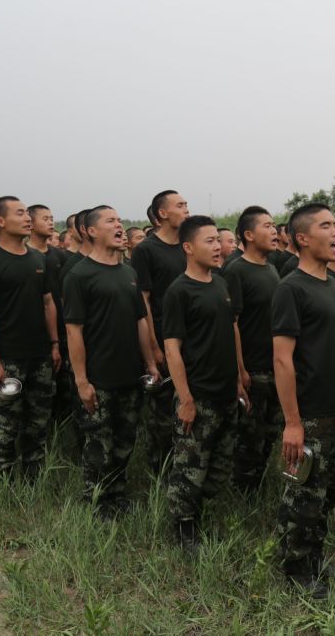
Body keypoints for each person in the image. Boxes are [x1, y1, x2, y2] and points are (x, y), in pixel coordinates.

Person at [272, 203, 335, 598]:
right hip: (310, 414)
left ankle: (315, 557)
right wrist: (293, 421)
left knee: (329, 491)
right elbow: (282, 359)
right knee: (305, 495)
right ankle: (294, 569)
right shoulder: (291, 287)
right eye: (326, 226)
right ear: (302, 239)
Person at [64, 206, 157, 517]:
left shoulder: (129, 273)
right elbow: (74, 331)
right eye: (111, 221)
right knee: (97, 445)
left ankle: (117, 495)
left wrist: (150, 363)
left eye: (120, 221)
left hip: (129, 375)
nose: (119, 226)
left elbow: (140, 322)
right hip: (98, 378)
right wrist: (81, 380)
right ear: (91, 231)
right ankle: (96, 501)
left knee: (124, 441)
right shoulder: (79, 275)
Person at [163, 215, 247, 548]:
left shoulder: (221, 283)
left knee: (220, 465)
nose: (217, 247)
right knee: (190, 468)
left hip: (226, 392)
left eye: (218, 240)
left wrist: (239, 376)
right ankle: (183, 529)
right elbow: (172, 348)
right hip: (199, 396)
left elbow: (231, 330)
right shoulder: (179, 291)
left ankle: (199, 516)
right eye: (209, 241)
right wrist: (185, 398)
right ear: (188, 247)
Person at [0, 196, 62, 480]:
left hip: (40, 355)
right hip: (8, 357)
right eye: (20, 213)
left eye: (27, 213)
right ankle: (1, 479)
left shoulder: (38, 259)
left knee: (38, 421)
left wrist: (54, 345)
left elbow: (48, 303)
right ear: (0, 222)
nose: (27, 218)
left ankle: (32, 478)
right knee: (5, 422)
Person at [223, 206, 282, 493]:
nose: (274, 231)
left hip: (275, 368)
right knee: (249, 437)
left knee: (270, 432)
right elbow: (231, 324)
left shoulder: (271, 268)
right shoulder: (235, 270)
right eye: (267, 226)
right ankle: (241, 492)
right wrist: (240, 370)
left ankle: (255, 486)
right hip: (252, 369)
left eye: (274, 226)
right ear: (248, 234)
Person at [132, 190, 189, 474]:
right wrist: (153, 348)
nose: (186, 209)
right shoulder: (146, 250)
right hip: (164, 338)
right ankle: (160, 471)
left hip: (192, 339)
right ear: (162, 213)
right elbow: (143, 302)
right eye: (180, 205)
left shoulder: (188, 246)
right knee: (163, 415)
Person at [28, 205, 75, 441]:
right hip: (35, 332)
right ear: (31, 223)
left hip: (63, 329)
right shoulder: (25, 255)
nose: (50, 222)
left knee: (63, 385)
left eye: (52, 218)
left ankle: (60, 434)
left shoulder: (61, 256)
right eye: (45, 219)